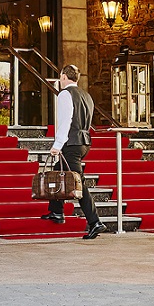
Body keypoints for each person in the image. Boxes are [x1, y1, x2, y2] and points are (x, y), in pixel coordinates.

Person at [43, 65, 105, 239]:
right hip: (84, 142)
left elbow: (66, 120)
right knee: (57, 170)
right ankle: (56, 211)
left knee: (78, 183)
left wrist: (58, 144)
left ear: (63, 76)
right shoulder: (86, 95)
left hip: (71, 143)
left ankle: (95, 222)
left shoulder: (65, 94)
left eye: (61, 76)